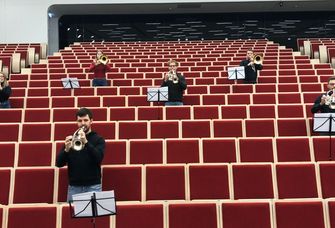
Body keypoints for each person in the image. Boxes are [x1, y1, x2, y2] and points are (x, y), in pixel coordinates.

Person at [56, 108, 105, 202]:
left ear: (91, 121)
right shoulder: (72, 139)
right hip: (74, 187)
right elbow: (58, 163)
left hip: (93, 186)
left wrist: (86, 142)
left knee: (93, 216)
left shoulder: (98, 139)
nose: (83, 123)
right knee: (73, 216)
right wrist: (66, 150)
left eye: (85, 120)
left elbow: (98, 158)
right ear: (76, 122)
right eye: (80, 121)